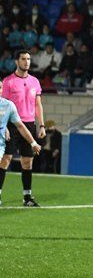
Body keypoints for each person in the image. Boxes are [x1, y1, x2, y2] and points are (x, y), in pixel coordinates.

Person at [0, 50, 46, 207]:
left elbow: (37, 104)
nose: (26, 62)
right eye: (23, 59)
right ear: (16, 62)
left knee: (27, 162)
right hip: (12, 125)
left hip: (29, 125)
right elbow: (2, 106)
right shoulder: (8, 81)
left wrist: (41, 125)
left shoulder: (35, 82)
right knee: (5, 159)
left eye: (28, 59)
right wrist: (4, 126)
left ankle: (27, 198)